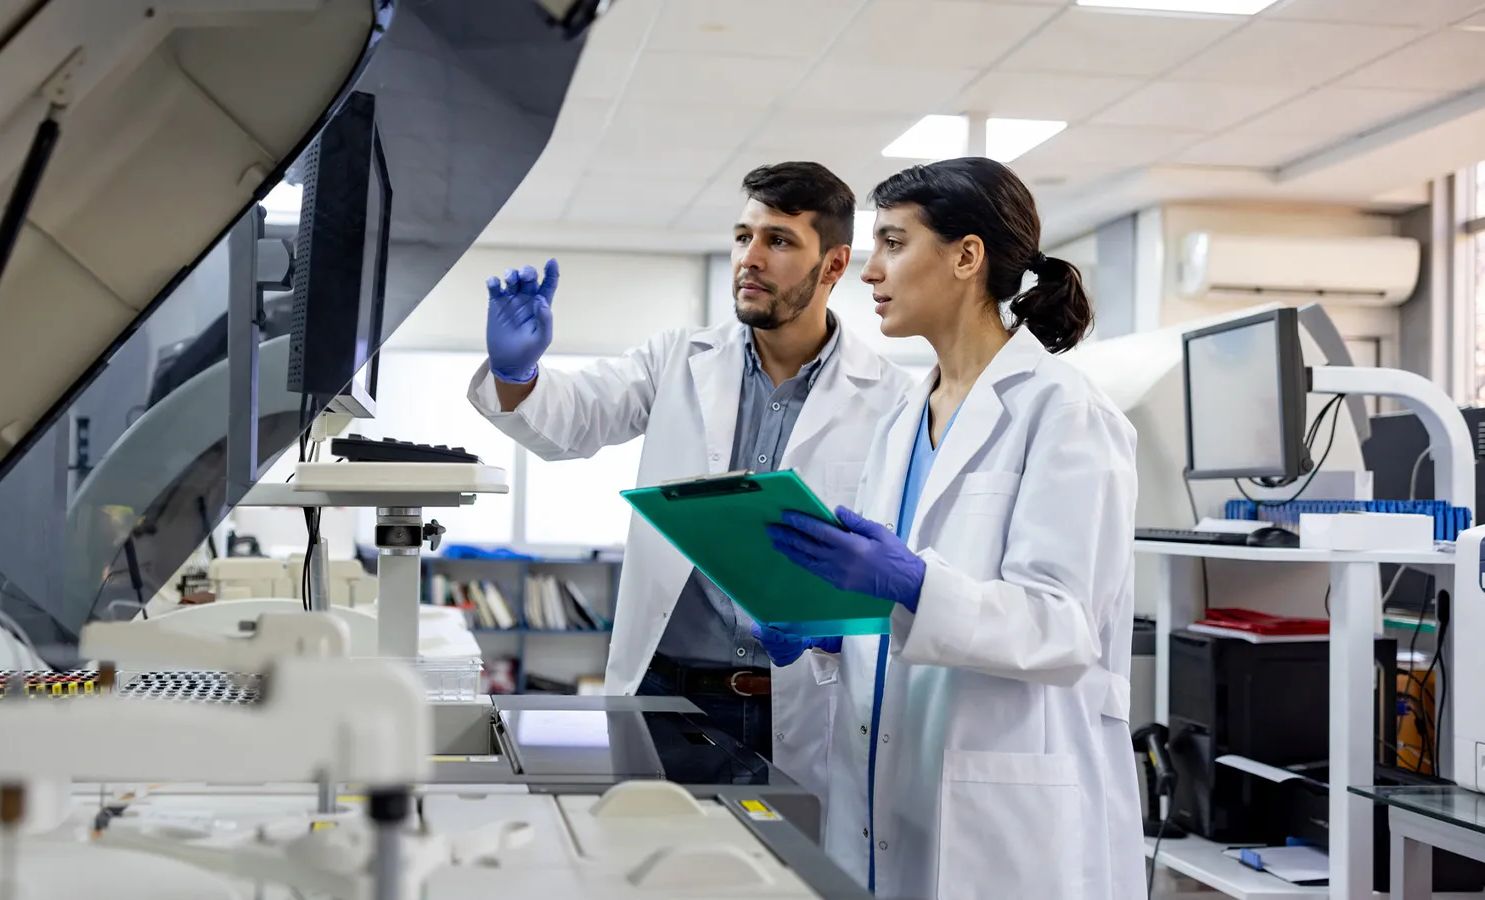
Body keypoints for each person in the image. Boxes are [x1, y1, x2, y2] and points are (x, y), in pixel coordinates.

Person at [468, 162, 913, 810]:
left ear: (835, 264)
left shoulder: (891, 399)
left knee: (784, 876)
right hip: (668, 696)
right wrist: (518, 370)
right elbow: (579, 416)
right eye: (743, 236)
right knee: (655, 864)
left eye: (779, 241)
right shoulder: (679, 358)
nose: (749, 258)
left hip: (801, 702)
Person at [764, 157, 1143, 898]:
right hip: (890, 783)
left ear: (967, 256)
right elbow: (902, 618)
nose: (870, 272)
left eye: (894, 244)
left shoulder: (1065, 413)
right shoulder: (903, 416)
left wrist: (910, 579)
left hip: (1001, 808)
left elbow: (1064, 628)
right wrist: (834, 629)